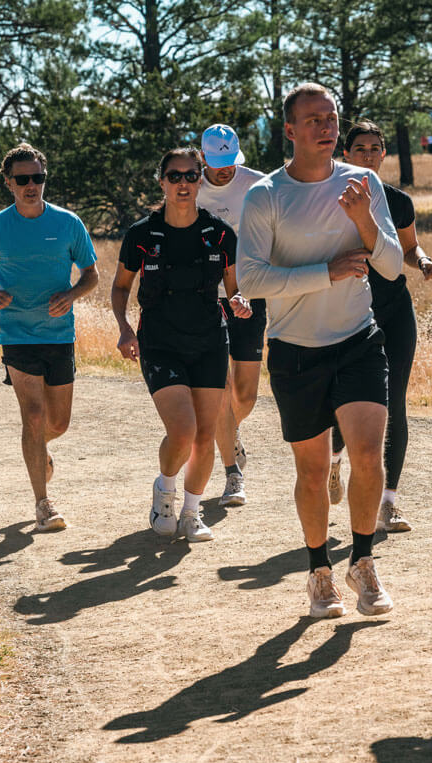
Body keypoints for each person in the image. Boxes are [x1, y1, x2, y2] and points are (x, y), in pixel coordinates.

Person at [237, 83, 403, 618]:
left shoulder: (364, 183)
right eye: (313, 120)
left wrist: (364, 222)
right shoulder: (266, 195)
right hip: (295, 351)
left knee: (366, 456)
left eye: (331, 118)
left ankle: (362, 561)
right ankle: (318, 572)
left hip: (359, 338)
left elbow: (393, 266)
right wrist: (325, 272)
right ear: (290, 131)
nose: (326, 127)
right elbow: (252, 278)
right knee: (311, 473)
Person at [112, 147, 251, 542]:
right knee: (183, 430)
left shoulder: (220, 234)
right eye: (175, 176)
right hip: (160, 342)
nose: (184, 183)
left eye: (192, 176)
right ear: (162, 182)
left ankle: (192, 514)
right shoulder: (142, 234)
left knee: (205, 435)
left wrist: (239, 301)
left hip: (209, 340)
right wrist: (125, 328)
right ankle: (165, 491)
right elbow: (121, 286)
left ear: (200, 180)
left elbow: (235, 286)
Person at [0, 143, 99, 532]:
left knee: (58, 423)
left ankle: (38, 449)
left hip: (59, 334)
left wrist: (71, 294)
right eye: (23, 179)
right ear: (8, 183)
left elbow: (92, 275)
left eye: (37, 178)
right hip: (16, 334)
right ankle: (43, 504)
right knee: (33, 417)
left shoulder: (68, 224)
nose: (31, 185)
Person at [329, 120, 432, 533]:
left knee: (393, 404)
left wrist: (424, 261)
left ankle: (388, 503)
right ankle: (334, 460)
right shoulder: (329, 197)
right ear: (346, 154)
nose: (369, 155)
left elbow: (409, 249)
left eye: (376, 148)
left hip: (393, 312)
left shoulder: (398, 201)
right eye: (360, 149)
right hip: (345, 315)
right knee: (342, 404)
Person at [196, 124, 266, 507]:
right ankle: (230, 468)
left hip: (252, 293)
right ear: (203, 157)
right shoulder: (192, 186)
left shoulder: (258, 184)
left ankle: (230, 433)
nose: (225, 171)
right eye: (217, 163)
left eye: (230, 163)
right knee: (220, 388)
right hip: (208, 298)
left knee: (246, 394)